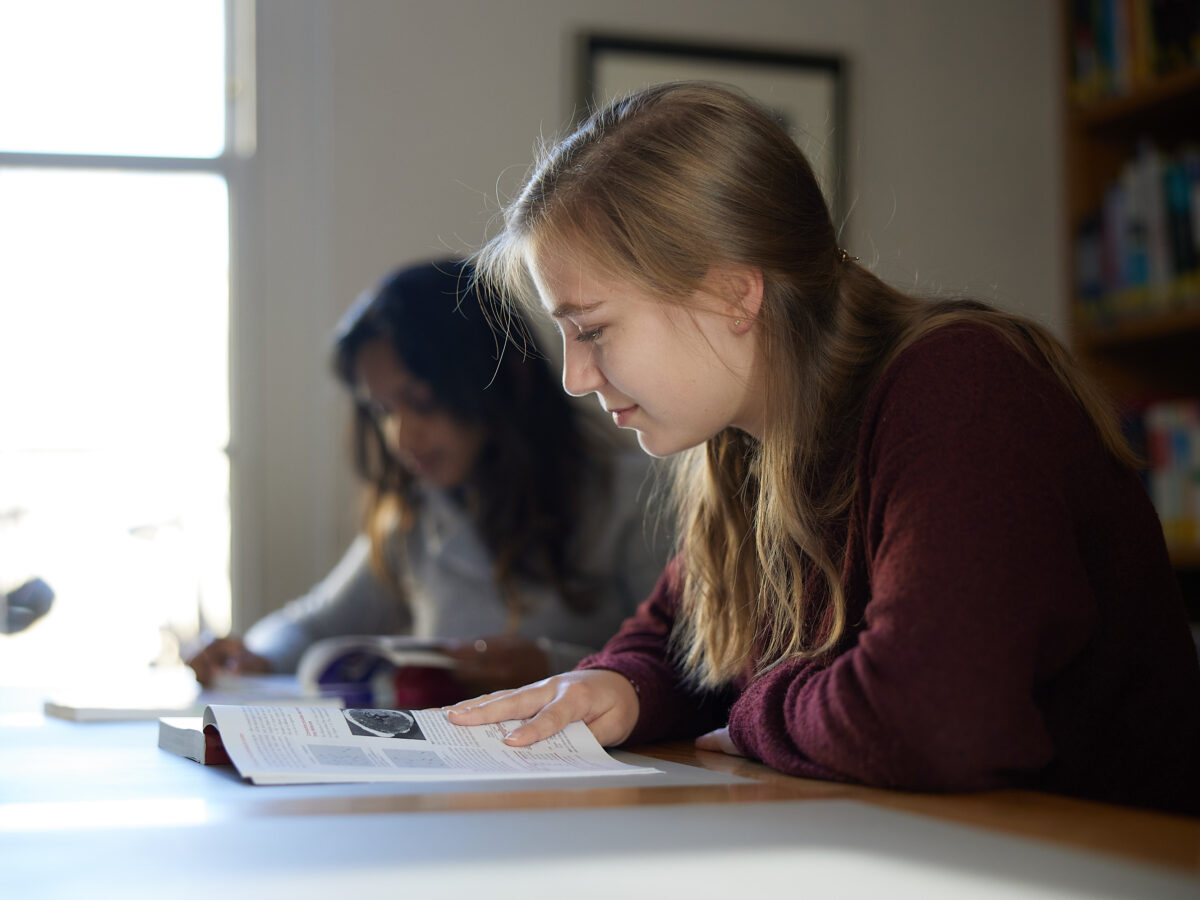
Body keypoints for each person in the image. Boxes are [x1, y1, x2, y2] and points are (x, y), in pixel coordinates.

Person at [448, 82, 1200, 815]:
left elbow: (933, 717)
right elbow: (680, 649)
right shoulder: (742, 440)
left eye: (593, 329)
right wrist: (621, 687)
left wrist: (751, 713)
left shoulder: (965, 388)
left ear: (732, 296)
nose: (576, 377)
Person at [188, 258, 668, 700]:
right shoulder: (416, 515)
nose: (402, 437)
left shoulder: (633, 497)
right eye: (383, 410)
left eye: (420, 401)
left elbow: (685, 668)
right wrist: (252, 655)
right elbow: (311, 625)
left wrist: (552, 666)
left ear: (500, 377)